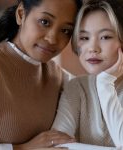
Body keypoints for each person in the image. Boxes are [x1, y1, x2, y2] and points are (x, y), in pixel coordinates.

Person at [0, 0, 82, 150]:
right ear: (21, 14)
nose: (52, 39)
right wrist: (21, 148)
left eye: (65, 31)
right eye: (45, 22)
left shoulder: (62, 79)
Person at [52, 0, 123, 150]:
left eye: (105, 37)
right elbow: (58, 144)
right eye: (84, 38)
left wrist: (105, 83)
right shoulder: (76, 87)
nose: (92, 48)